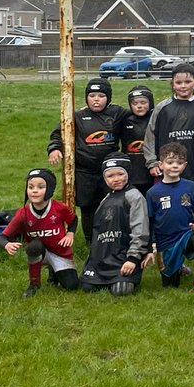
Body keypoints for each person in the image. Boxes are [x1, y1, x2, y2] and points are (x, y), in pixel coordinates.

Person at [47, 78, 123, 244]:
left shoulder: (117, 113)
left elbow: (137, 119)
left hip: (109, 171)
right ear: (86, 97)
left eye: (101, 95)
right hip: (84, 172)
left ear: (108, 97)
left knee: (111, 205)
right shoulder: (77, 116)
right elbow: (57, 134)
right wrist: (54, 148)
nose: (96, 99)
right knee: (88, 207)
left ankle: (111, 239)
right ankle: (91, 242)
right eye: (92, 95)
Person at [0, 167, 79, 299]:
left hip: (60, 252)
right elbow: (2, 237)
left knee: (71, 285)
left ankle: (54, 271)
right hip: (39, 251)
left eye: (40, 187)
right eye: (30, 187)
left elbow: (73, 219)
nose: (34, 190)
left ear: (50, 189)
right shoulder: (23, 213)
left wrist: (70, 234)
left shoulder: (59, 208)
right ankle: (34, 284)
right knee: (34, 245)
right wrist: (6, 245)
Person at [80, 156, 150, 295]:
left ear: (128, 174)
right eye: (110, 176)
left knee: (121, 290)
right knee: (87, 287)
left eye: (120, 174)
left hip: (123, 258)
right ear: (105, 179)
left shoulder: (134, 196)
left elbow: (140, 229)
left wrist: (133, 259)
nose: (116, 179)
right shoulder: (105, 199)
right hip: (103, 258)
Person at [146, 142, 194, 292]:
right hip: (165, 240)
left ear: (185, 165)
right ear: (161, 165)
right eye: (170, 162)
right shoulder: (152, 193)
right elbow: (150, 221)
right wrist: (152, 244)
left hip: (186, 234)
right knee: (170, 285)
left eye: (179, 163)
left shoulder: (190, 186)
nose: (175, 166)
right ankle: (178, 265)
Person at [143, 62, 194, 189]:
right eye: (178, 82)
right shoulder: (162, 108)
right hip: (165, 171)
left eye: (187, 82)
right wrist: (152, 162)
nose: (183, 86)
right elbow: (151, 136)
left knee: (192, 206)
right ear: (172, 84)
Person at [115, 85, 155, 197]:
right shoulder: (124, 119)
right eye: (135, 103)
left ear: (150, 102)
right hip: (133, 170)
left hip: (152, 169)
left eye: (143, 102)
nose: (139, 106)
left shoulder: (156, 118)